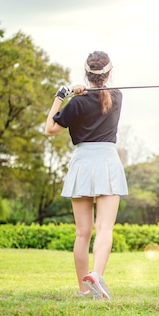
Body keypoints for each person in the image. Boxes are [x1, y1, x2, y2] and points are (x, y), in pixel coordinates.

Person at [44, 51, 127, 299]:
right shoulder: (117, 96)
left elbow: (50, 129)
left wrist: (61, 97)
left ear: (86, 74)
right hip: (107, 161)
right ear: (109, 73)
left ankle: (83, 289)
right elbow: (102, 94)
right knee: (105, 228)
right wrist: (82, 93)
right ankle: (97, 276)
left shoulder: (77, 102)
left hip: (82, 162)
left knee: (83, 233)